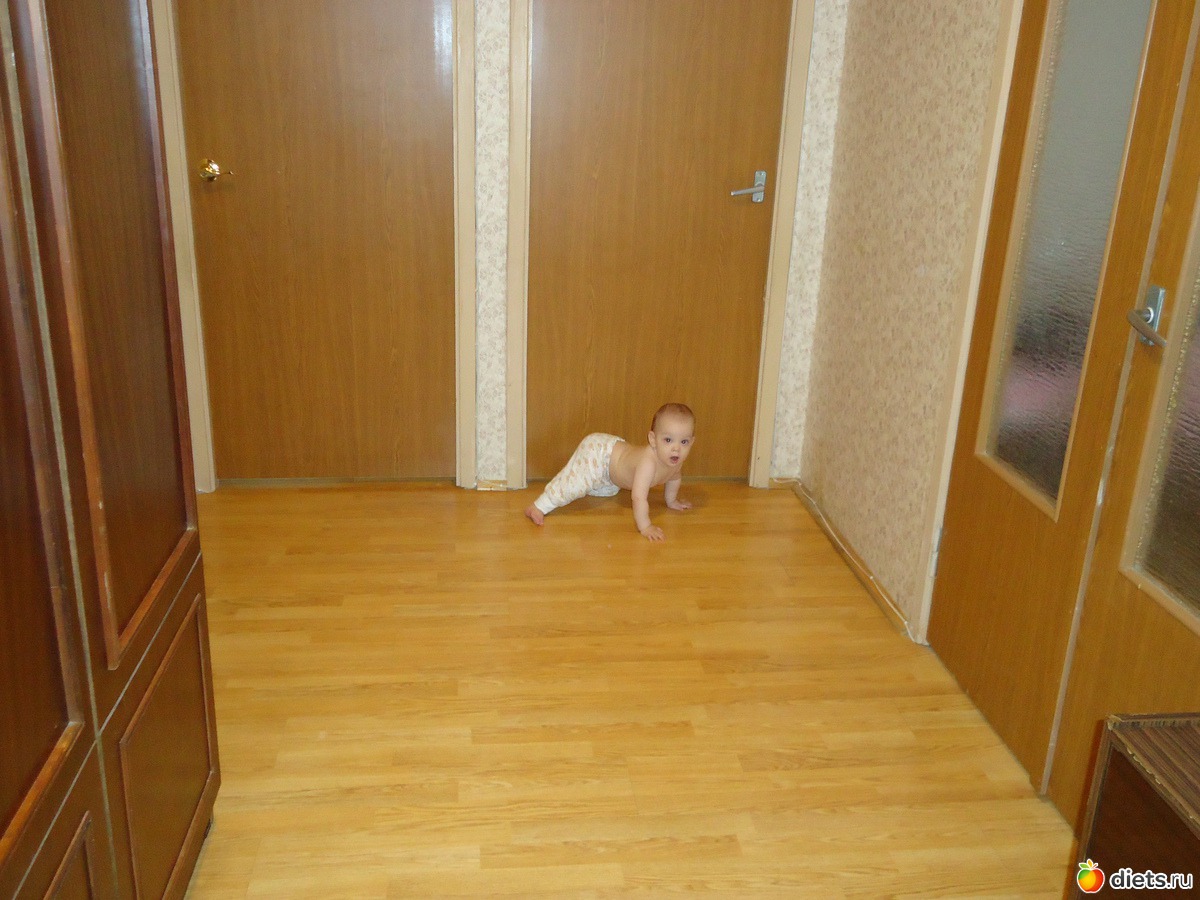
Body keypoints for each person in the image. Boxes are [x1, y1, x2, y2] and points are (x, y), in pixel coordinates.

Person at [524, 403, 695, 541]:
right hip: (600, 455)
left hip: (612, 468)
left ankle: (597, 483)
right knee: (574, 485)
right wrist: (645, 526)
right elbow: (638, 497)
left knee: (603, 489)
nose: (676, 449)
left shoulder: (675, 461)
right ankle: (539, 506)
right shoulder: (648, 464)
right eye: (668, 440)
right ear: (653, 439)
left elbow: (674, 478)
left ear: (692, 442)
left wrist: (671, 500)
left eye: (684, 442)